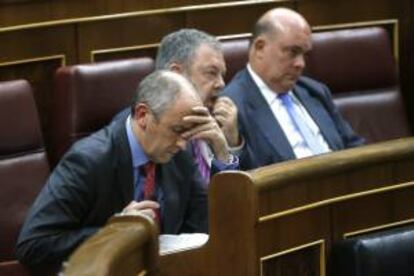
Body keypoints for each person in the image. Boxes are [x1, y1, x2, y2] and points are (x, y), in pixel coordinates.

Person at [16, 71, 209, 269]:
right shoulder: (88, 161)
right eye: (177, 130)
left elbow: (200, 225)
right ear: (143, 116)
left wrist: (226, 156)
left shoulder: (178, 153)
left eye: (187, 133)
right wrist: (114, 233)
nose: (183, 144)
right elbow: (32, 245)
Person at [223, 8, 364, 170]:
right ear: (260, 48)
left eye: (304, 54)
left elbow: (354, 146)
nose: (301, 64)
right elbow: (238, 177)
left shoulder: (315, 91)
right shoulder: (233, 106)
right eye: (293, 52)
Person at [115, 29, 240, 184]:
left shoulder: (220, 117)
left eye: (222, 75)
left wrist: (229, 146)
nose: (221, 84)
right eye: (211, 73)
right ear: (176, 74)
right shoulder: (145, 131)